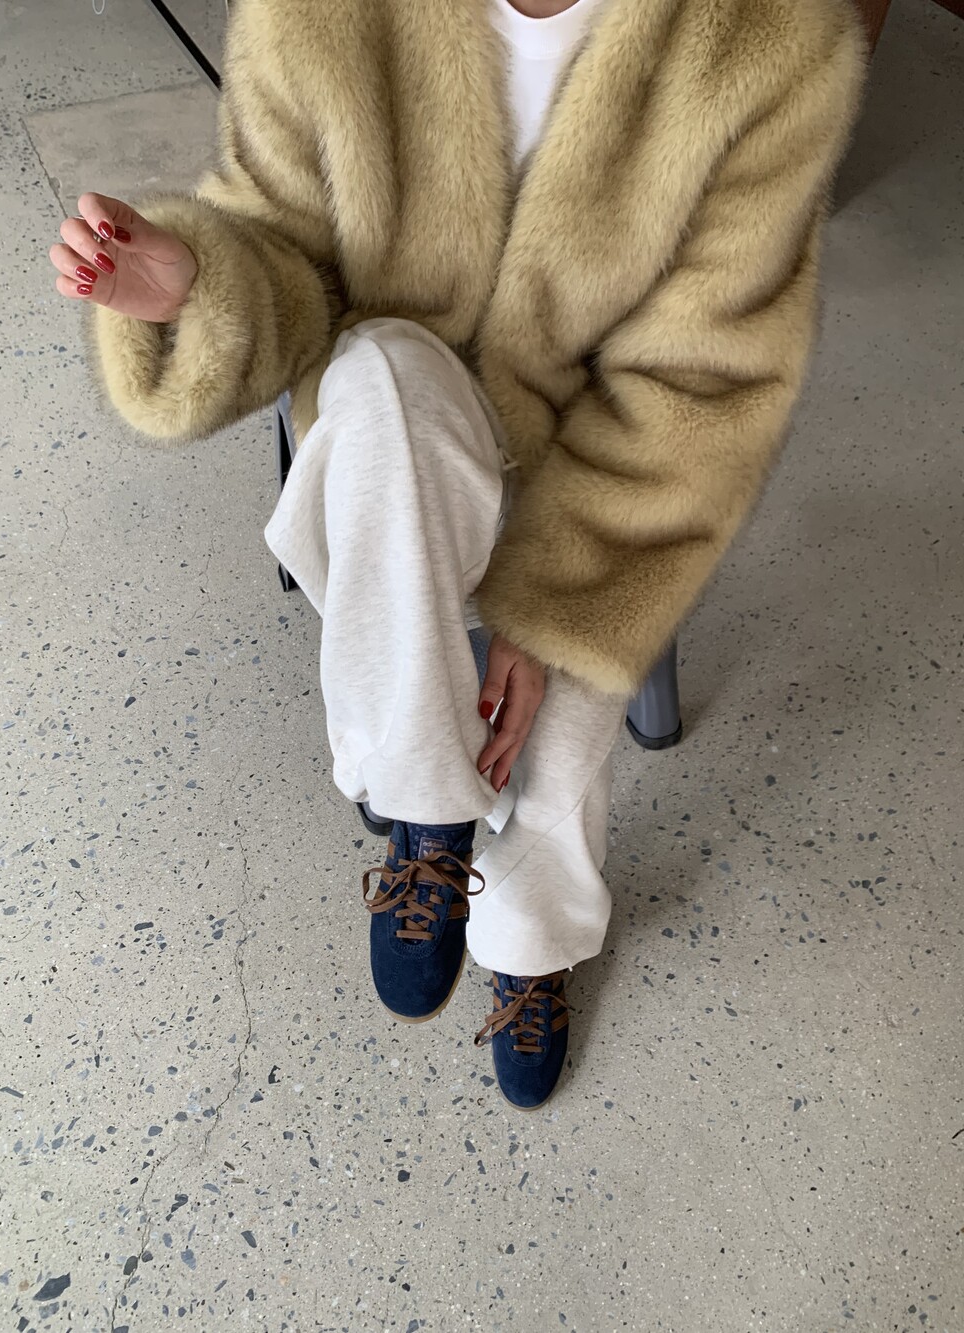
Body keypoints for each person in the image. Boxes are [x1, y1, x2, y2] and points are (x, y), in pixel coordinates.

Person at [48, 0, 867, 1110]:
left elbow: (703, 381)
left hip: (602, 450)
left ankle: (530, 942)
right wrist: (193, 286)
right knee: (381, 381)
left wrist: (547, 611)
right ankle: (426, 802)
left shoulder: (770, 37)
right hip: (398, 441)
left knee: (579, 662)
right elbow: (288, 250)